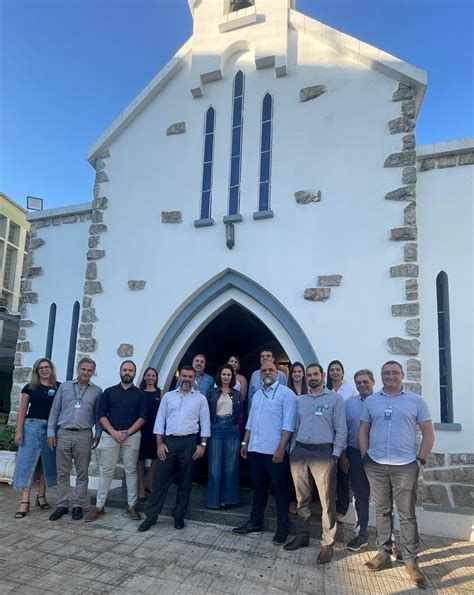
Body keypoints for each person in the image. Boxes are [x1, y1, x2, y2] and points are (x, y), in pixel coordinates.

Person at [359, 360, 435, 589]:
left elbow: (428, 433)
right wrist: (366, 458)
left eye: (394, 373)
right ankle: (383, 553)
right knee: (382, 511)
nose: (390, 376)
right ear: (381, 377)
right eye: (386, 373)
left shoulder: (416, 401)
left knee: (407, 515)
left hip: (405, 466)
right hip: (377, 465)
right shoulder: (371, 401)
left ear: (402, 375)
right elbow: (363, 430)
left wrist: (419, 460)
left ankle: (411, 561)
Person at [285, 363, 346, 565]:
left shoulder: (335, 399)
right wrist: (293, 449)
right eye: (309, 375)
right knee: (301, 497)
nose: (312, 377)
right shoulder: (300, 400)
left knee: (327, 500)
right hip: (300, 450)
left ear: (322, 375)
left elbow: (341, 429)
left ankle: (327, 543)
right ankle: (302, 535)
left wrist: (335, 455)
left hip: (323, 452)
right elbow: (295, 426)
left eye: (315, 374)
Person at [138, 365, 211, 532]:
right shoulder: (168, 397)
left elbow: (205, 424)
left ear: (194, 379)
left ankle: (179, 516)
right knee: (160, 481)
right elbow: (160, 420)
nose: (187, 379)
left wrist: (203, 445)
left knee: (185, 482)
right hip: (168, 443)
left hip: (190, 443)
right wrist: (159, 443)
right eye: (184, 376)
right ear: (179, 376)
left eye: (190, 376)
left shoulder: (200, 399)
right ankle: (151, 516)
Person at [232, 361, 296, 545]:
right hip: (255, 449)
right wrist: (245, 442)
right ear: (260, 374)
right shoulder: (258, 395)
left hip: (274, 451)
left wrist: (280, 449)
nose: (267, 372)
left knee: (280, 490)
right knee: (258, 487)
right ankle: (255, 522)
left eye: (271, 370)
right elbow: (251, 421)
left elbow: (288, 425)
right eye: (264, 370)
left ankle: (282, 529)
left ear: (278, 373)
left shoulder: (286, 394)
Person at [86, 360, 147, 522]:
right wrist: (114, 433)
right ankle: (99, 506)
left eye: (131, 370)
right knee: (106, 471)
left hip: (132, 436)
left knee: (131, 470)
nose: (127, 372)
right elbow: (101, 415)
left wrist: (127, 433)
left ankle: (132, 506)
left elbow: (143, 417)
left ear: (135, 373)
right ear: (120, 372)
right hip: (110, 435)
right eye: (125, 370)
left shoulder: (140, 394)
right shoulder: (109, 392)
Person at [47, 357, 102, 521]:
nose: (85, 373)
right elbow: (55, 411)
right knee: (62, 472)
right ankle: (62, 504)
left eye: (89, 370)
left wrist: (98, 433)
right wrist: (51, 432)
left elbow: (99, 415)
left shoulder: (97, 391)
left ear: (93, 372)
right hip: (63, 433)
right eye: (83, 369)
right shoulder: (64, 387)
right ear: (78, 369)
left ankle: (78, 505)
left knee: (82, 472)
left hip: (84, 435)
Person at [13, 358, 60, 519]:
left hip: (51, 428)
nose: (44, 370)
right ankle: (24, 500)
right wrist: (19, 431)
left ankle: (41, 496)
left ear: (51, 369)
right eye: (40, 368)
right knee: (29, 463)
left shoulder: (58, 387)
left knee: (46, 463)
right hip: (31, 426)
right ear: (36, 371)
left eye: (47, 367)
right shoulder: (30, 387)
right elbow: (22, 410)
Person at [340, 369, 375, 551]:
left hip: (378, 456)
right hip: (354, 454)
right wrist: (344, 455)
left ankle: (389, 540)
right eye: (359, 382)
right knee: (360, 496)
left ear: (373, 382)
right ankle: (361, 535)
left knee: (386, 498)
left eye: (365, 381)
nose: (362, 385)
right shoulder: (349, 405)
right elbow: (344, 431)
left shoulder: (381, 402)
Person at [207, 364, 243, 509]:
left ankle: (228, 499)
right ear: (219, 376)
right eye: (224, 374)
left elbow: (239, 413)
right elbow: (207, 412)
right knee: (215, 467)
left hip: (231, 429)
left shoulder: (237, 394)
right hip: (215, 428)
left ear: (232, 377)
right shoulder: (211, 393)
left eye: (229, 375)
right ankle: (214, 501)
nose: (226, 377)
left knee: (231, 467)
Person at [326, 359, 356, 522]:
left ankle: (342, 508)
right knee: (329, 475)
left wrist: (343, 448)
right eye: (332, 370)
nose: (335, 372)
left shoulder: (349, 391)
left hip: (343, 438)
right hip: (327, 438)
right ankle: (328, 506)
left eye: (338, 369)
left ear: (342, 372)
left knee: (343, 474)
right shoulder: (325, 390)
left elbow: (349, 418)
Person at [137, 367, 161, 502]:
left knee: (156, 457)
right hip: (141, 428)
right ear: (145, 377)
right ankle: (141, 487)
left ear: (156, 378)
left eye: (153, 375)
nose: (151, 377)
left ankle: (149, 483)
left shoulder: (160, 393)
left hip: (155, 429)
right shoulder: (139, 393)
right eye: (149, 375)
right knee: (140, 458)